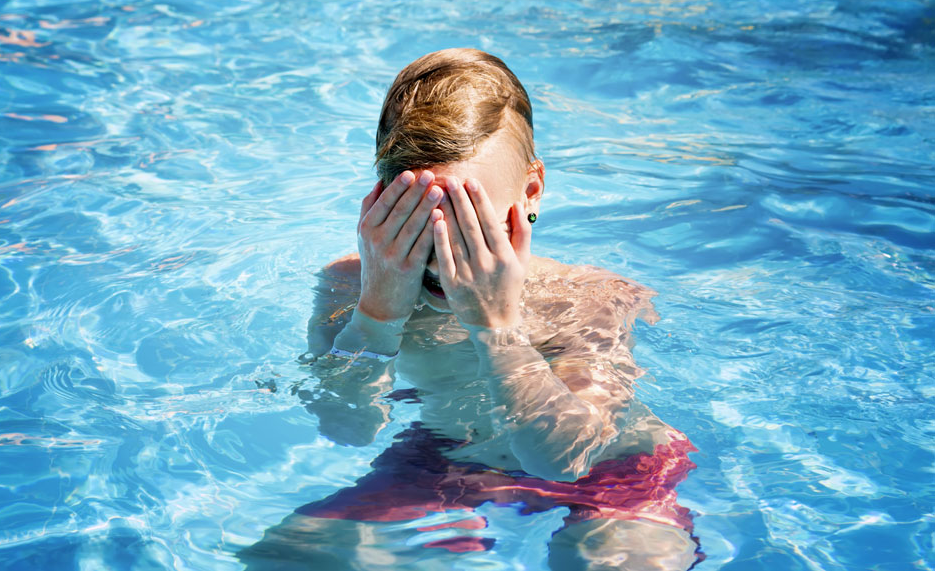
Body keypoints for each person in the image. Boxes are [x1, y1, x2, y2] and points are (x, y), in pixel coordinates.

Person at [240, 48, 702, 570]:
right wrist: (378, 312)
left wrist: (498, 329)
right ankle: (457, 524)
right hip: (447, 457)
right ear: (380, 204)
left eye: (473, 228)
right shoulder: (352, 285)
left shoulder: (587, 298)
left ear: (531, 191)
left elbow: (565, 462)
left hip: (614, 473)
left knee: (611, 562)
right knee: (289, 557)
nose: (446, 261)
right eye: (419, 227)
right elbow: (346, 427)